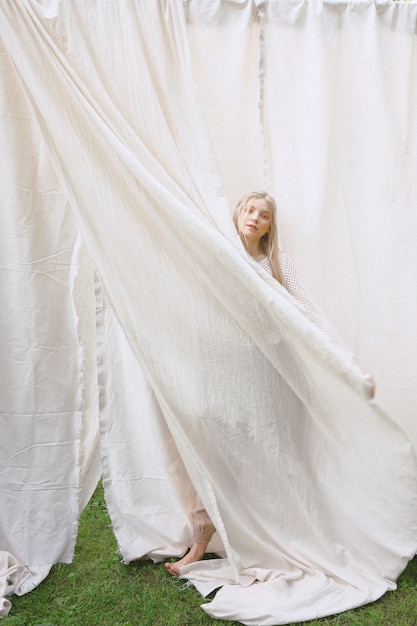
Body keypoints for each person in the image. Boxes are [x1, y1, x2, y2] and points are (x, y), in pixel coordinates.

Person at [165, 190, 375, 576]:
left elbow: (309, 308)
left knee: (272, 454)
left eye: (264, 215)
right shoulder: (219, 252)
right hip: (225, 370)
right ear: (238, 214)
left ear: (269, 227)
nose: (255, 218)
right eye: (250, 210)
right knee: (213, 451)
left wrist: (348, 364)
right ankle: (199, 543)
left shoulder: (275, 262)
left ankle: (283, 541)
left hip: (270, 372)